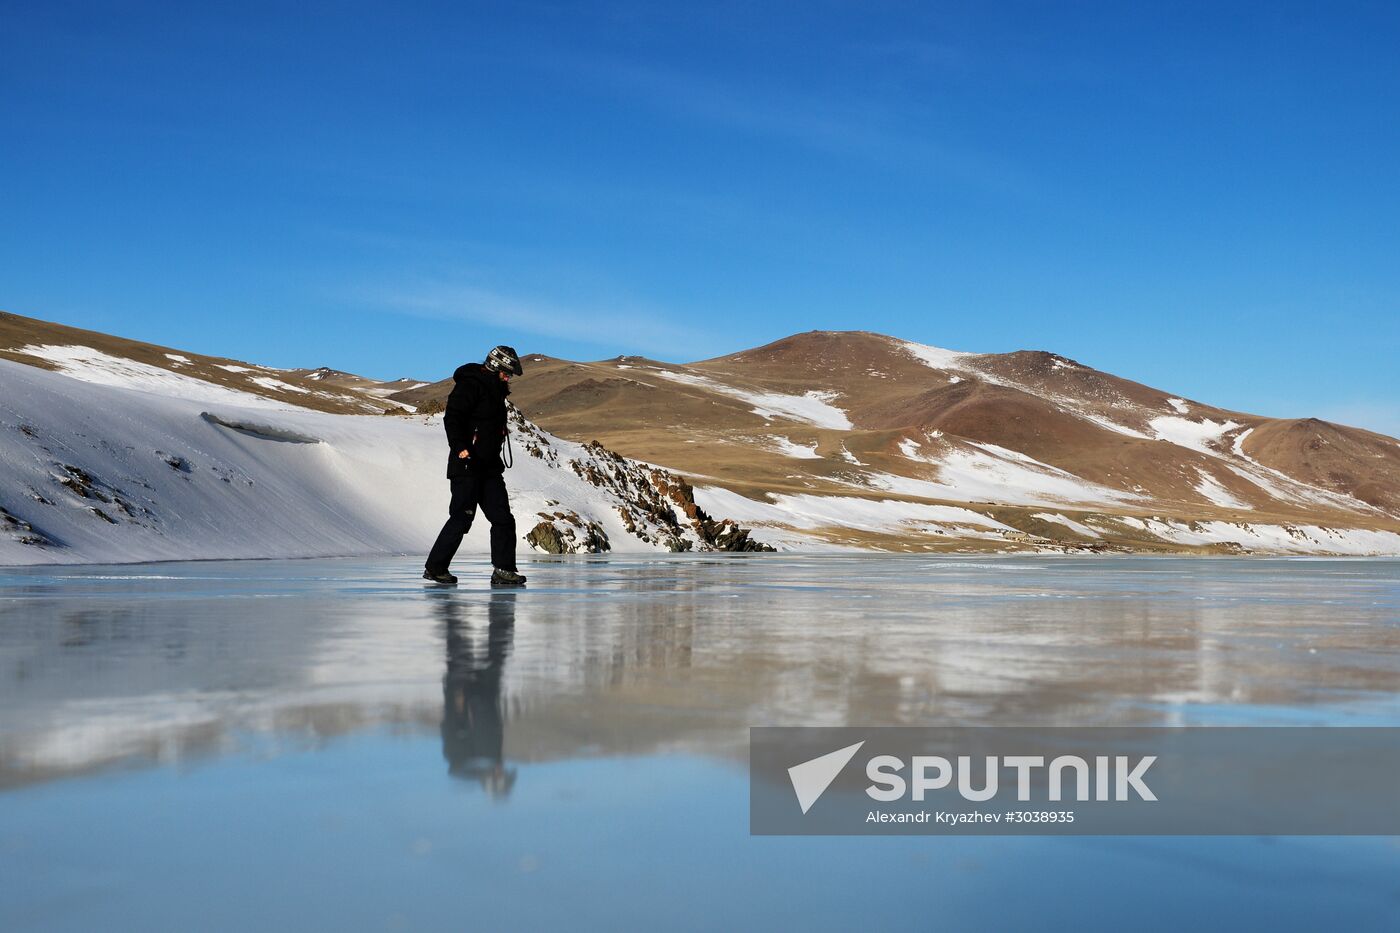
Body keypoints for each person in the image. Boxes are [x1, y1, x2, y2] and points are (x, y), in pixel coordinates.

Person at [424, 345, 527, 586]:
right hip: (467, 464)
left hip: (490, 468)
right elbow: (453, 417)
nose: (508, 377)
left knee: (503, 518)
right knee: (462, 517)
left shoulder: (496, 391)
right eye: (506, 372)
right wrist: (460, 447)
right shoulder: (470, 385)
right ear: (494, 367)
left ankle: (504, 570)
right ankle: (435, 568)